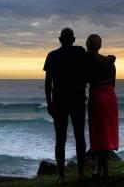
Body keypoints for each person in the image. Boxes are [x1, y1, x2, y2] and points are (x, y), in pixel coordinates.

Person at [44, 28, 87, 184]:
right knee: (79, 137)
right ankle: (80, 173)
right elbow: (90, 69)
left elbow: (48, 84)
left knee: (60, 139)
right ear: (74, 39)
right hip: (77, 100)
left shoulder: (52, 55)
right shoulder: (80, 52)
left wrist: (49, 103)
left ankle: (61, 176)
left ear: (60, 39)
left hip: (59, 102)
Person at [86, 34, 119, 178]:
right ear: (99, 46)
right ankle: (103, 169)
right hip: (110, 97)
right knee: (106, 133)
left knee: (98, 133)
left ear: (88, 45)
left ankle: (99, 169)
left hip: (97, 96)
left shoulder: (89, 61)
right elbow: (113, 84)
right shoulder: (110, 62)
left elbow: (86, 79)